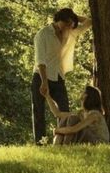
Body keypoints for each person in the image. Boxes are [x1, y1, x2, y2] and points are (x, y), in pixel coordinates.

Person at [31, 8, 91, 145]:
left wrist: (74, 18)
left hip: (58, 77)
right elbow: (40, 61)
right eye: (67, 23)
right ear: (59, 20)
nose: (70, 26)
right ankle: (41, 143)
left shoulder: (70, 32)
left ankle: (64, 142)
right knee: (39, 111)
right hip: (41, 77)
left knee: (64, 110)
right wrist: (44, 82)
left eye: (71, 24)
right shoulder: (43, 34)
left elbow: (89, 22)